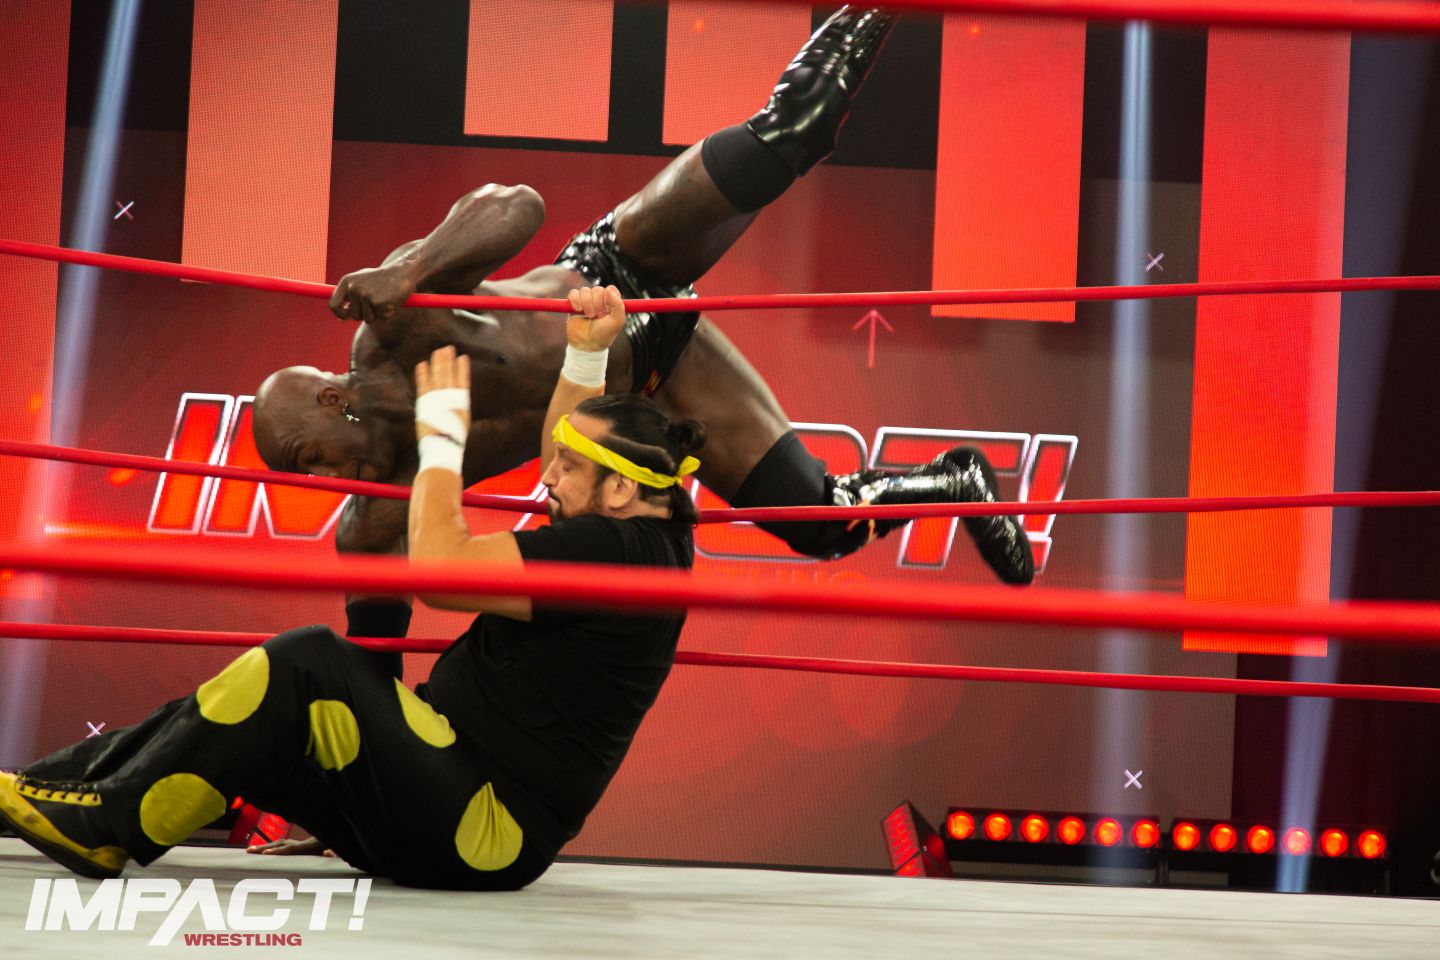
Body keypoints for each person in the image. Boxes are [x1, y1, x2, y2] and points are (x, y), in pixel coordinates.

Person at [250, 6, 1033, 653]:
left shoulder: (393, 328)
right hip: (654, 380)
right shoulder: (376, 514)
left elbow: (516, 206)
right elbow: (370, 669)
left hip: (617, 272)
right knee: (819, 523)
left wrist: (412, 270)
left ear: (333, 401)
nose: (324, 480)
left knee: (790, 134)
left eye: (312, 458)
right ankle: (954, 483)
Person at [0, 287, 701, 890]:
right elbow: (566, 450)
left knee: (310, 660)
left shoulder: (619, 554)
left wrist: (441, 437)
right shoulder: (635, 530)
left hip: (484, 827)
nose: (547, 476)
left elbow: (440, 573)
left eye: (569, 469)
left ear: (619, 489)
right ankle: (43, 789)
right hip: (442, 787)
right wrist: (585, 356)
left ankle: (106, 827)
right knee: (239, 723)